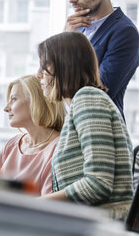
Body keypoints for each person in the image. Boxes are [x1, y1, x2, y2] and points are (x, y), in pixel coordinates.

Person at [36, 31, 133, 220]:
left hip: (104, 224)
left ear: (64, 65)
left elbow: (98, 183)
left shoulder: (86, 98)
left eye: (44, 65)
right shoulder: (82, 103)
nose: (38, 74)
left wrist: (36, 204)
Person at [63, 0, 139, 119]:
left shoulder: (125, 32)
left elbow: (98, 93)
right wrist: (64, 39)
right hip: (66, 127)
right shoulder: (75, 27)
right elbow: (47, 76)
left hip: (97, 130)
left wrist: (66, 44)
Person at [0, 75, 65, 196]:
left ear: (35, 101)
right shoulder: (12, 144)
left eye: (14, 99)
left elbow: (48, 207)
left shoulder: (58, 148)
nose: (6, 108)